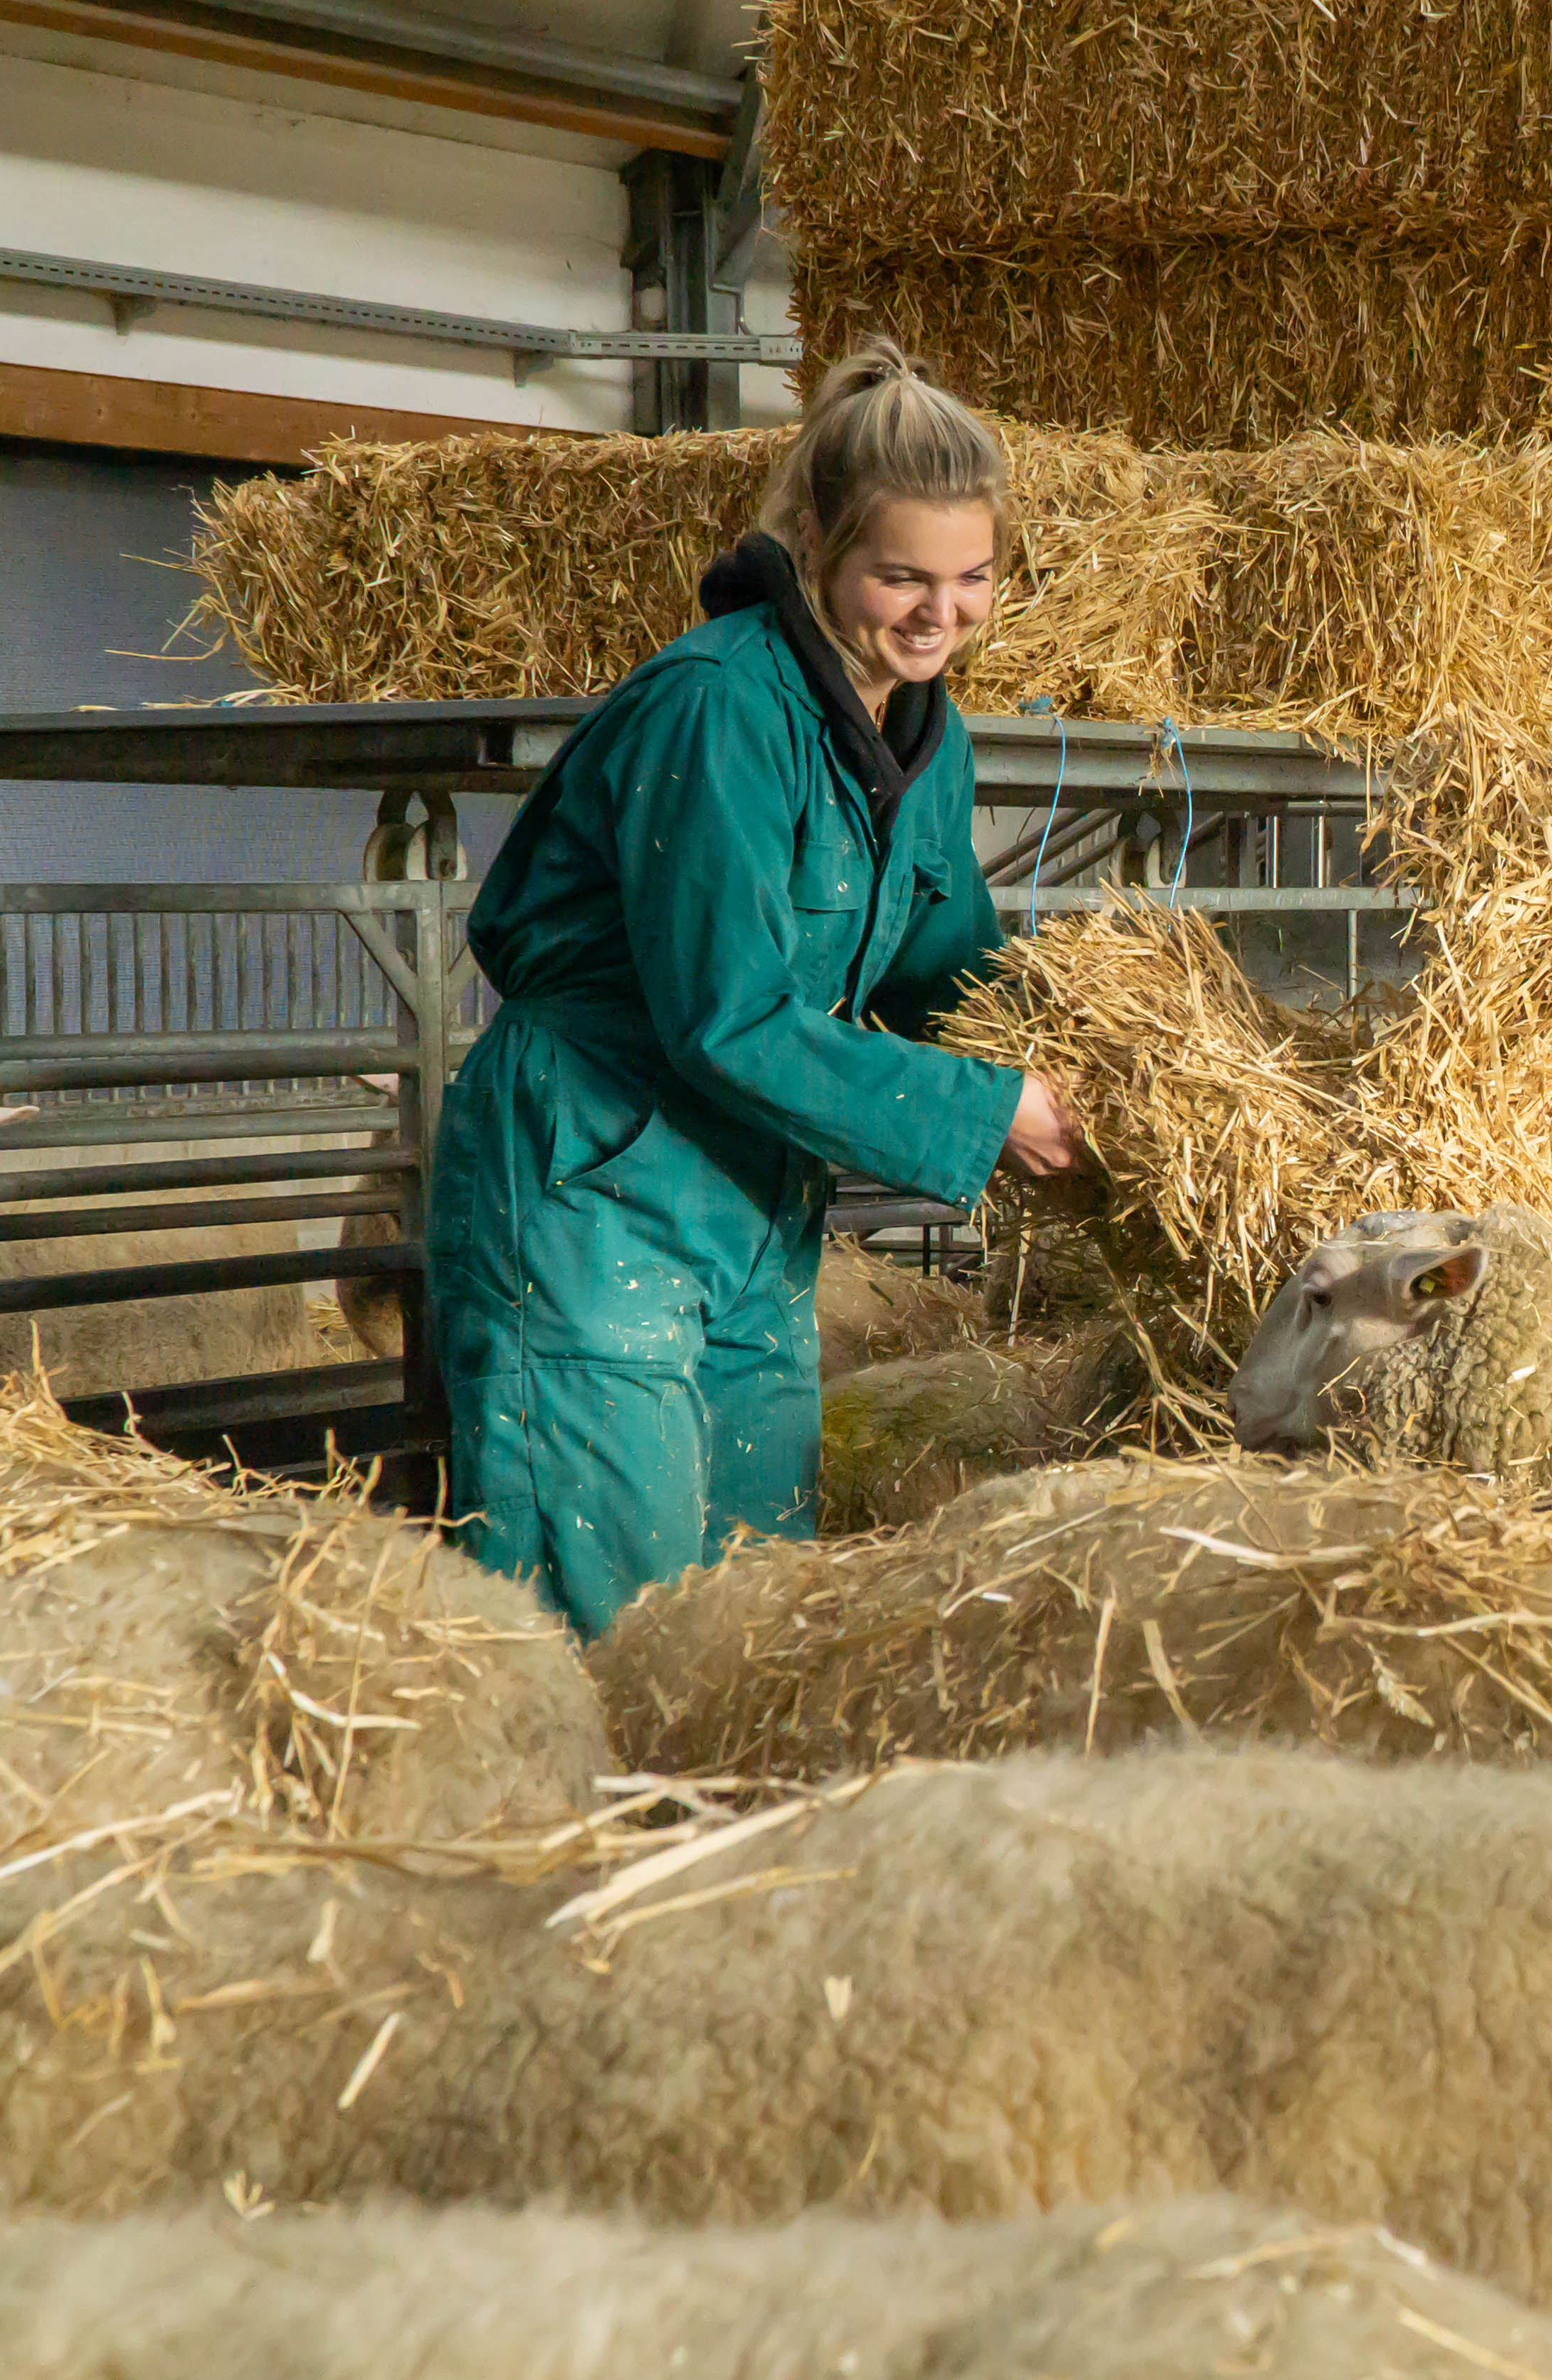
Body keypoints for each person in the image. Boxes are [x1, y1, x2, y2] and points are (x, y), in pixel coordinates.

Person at [424, 343, 1089, 1634]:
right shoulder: (720, 704)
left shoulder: (920, 731)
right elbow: (724, 1017)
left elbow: (946, 968)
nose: (937, 615)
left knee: (753, 1610)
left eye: (973, 579)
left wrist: (1115, 1060)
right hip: (594, 1185)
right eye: (901, 575)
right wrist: (990, 1113)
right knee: (609, 1607)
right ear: (815, 543)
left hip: (748, 1203)